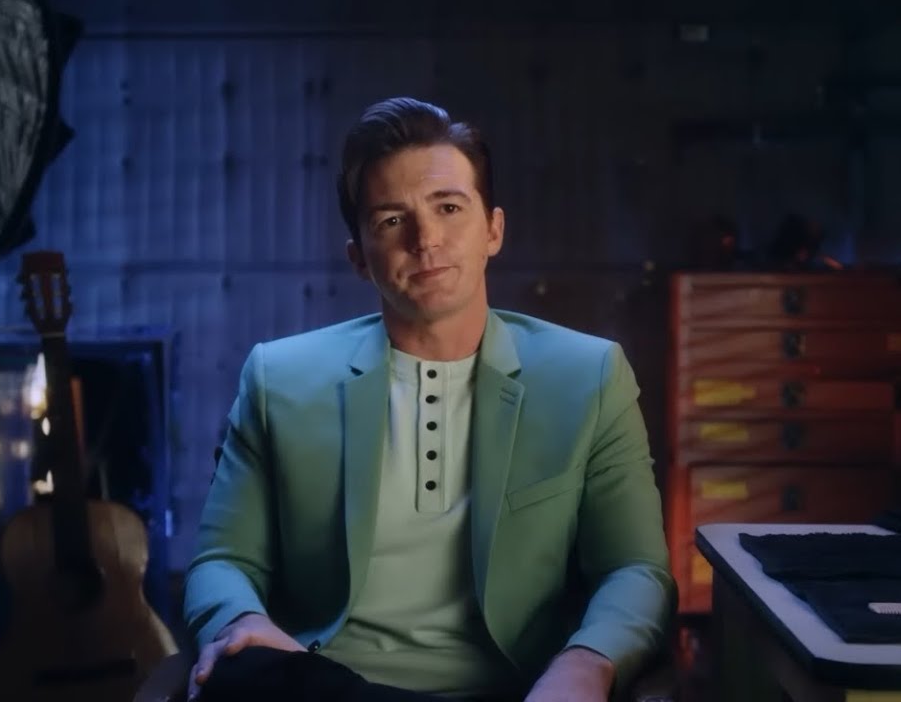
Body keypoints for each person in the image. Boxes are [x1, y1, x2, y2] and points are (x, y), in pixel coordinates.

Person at [183, 97, 675, 702]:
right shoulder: (278, 379)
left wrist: (586, 663)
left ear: (493, 229)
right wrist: (242, 621)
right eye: (392, 220)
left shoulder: (588, 377)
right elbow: (223, 560)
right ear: (359, 257)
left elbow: (635, 569)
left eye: (448, 207)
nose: (425, 239)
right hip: (328, 689)